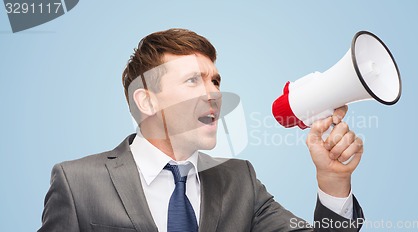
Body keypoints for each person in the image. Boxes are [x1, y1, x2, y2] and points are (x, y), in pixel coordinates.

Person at [38, 28, 365, 232]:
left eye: (215, 81)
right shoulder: (77, 182)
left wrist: (334, 182)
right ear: (147, 101)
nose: (214, 94)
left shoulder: (240, 181)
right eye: (193, 80)